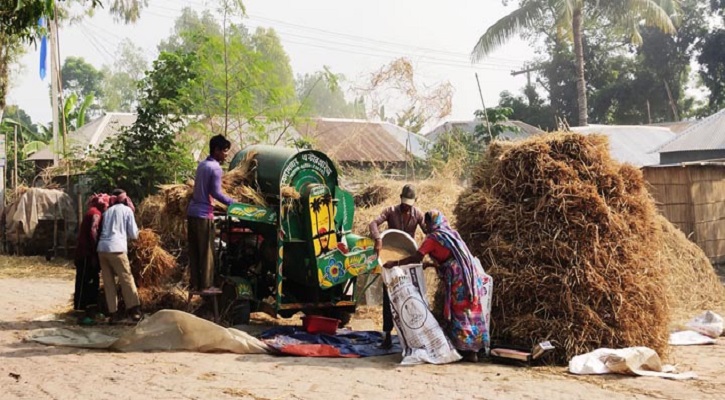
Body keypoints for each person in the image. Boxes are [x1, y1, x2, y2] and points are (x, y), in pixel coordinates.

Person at [383, 210, 491, 362]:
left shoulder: (433, 238)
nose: (425, 226)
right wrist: (432, 264)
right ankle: (476, 348)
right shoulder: (451, 234)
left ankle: (465, 350)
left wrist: (394, 263)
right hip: (470, 275)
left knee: (460, 311)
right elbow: (451, 256)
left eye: (427, 223)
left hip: (458, 277)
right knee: (472, 309)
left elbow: (416, 257)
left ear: (431, 223)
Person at [369, 184, 425, 349]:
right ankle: (386, 335)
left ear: (414, 202)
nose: (406, 207)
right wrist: (378, 238)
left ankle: (411, 337)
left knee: (410, 297)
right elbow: (373, 223)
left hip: (407, 261)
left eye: (409, 204)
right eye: (404, 203)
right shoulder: (391, 211)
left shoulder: (418, 215)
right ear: (400, 198)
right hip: (390, 260)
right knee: (388, 298)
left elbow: (429, 231)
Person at [187, 134, 234, 293]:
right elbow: (215, 192)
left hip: (192, 213)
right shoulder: (215, 168)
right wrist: (232, 203)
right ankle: (206, 285)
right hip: (203, 215)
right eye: (225, 151)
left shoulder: (202, 165)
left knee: (195, 251)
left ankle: (195, 283)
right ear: (216, 150)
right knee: (207, 251)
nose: (227, 154)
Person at [97, 189, 141, 323]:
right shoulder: (127, 211)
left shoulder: (107, 211)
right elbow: (134, 234)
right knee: (126, 278)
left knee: (108, 282)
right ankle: (134, 311)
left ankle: (113, 314)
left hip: (102, 249)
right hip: (117, 248)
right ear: (125, 199)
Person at [73, 193, 110, 325]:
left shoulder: (93, 212)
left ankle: (91, 310)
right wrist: (96, 249)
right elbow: (92, 232)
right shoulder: (95, 214)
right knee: (83, 283)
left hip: (89, 254)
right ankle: (81, 313)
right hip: (86, 255)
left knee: (93, 282)